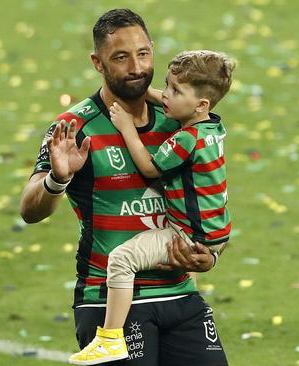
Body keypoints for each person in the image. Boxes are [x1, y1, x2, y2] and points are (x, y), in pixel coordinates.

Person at [20, 9, 228, 366]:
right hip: (107, 301)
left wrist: (209, 255)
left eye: (143, 53)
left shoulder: (179, 118)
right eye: (121, 57)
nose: (136, 67)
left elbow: (209, 197)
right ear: (97, 63)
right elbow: (29, 208)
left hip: (180, 294)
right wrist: (58, 179)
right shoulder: (75, 126)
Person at [69, 50, 235, 365]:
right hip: (217, 233)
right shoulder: (214, 127)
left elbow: (149, 168)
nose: (165, 96)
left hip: (187, 236)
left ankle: (110, 338)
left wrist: (126, 126)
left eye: (175, 91)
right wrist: (145, 91)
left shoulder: (186, 139)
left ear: (200, 105)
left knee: (121, 259)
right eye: (166, 86)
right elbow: (183, 100)